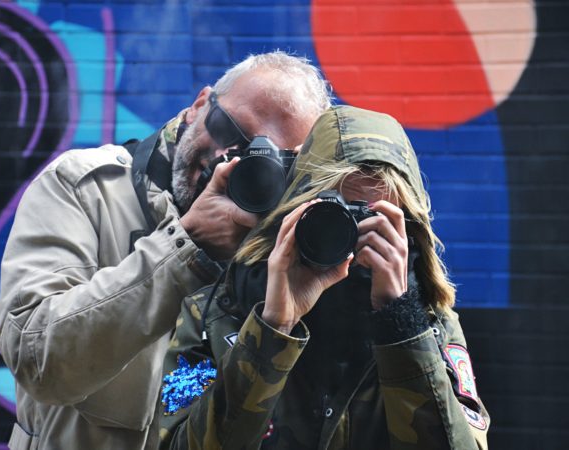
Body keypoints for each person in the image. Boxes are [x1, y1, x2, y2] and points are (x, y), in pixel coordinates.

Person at [0, 51, 332, 450]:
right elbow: (36, 360)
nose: (228, 160)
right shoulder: (85, 189)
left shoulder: (282, 247)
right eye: (229, 129)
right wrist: (185, 247)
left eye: (266, 159)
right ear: (198, 106)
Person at [159, 105, 490, 449]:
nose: (351, 236)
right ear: (293, 212)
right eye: (335, 214)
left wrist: (401, 324)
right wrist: (272, 328)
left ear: (407, 231)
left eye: (373, 221)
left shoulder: (431, 328)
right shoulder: (215, 316)